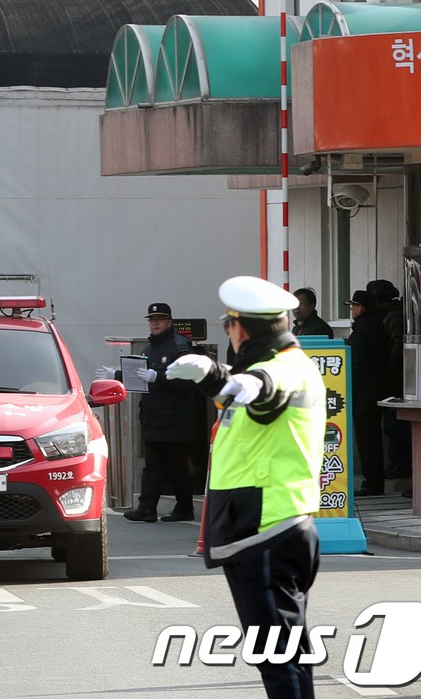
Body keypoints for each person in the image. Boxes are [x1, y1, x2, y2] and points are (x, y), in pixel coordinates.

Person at [165, 275, 325, 699]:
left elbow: (264, 390)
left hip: (267, 527)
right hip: (267, 526)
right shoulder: (272, 365)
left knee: (278, 656)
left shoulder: (282, 369)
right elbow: (238, 392)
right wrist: (213, 377)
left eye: (228, 326)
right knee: (283, 652)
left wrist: (233, 379)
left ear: (241, 328)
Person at [94, 302, 202, 523]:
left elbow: (186, 381)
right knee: (152, 465)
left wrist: (158, 377)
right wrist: (117, 374)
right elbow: (139, 375)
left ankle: (184, 508)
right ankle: (147, 508)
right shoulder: (149, 348)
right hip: (153, 416)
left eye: (160, 319)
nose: (155, 323)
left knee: (177, 465)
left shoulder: (179, 345)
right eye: (152, 320)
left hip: (175, 418)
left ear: (169, 322)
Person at [345, 289, 391, 496]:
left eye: (354, 306)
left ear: (362, 308)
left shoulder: (363, 330)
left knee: (367, 441)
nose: (352, 310)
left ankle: (372, 483)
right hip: (376, 391)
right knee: (372, 439)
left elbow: (357, 363)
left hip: (363, 394)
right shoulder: (377, 326)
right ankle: (374, 481)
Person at [367, 279, 411, 482]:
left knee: (395, 426)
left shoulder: (393, 317)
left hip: (396, 381)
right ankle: (398, 463)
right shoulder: (391, 315)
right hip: (395, 380)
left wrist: (384, 365)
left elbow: (397, 349)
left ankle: (400, 464)